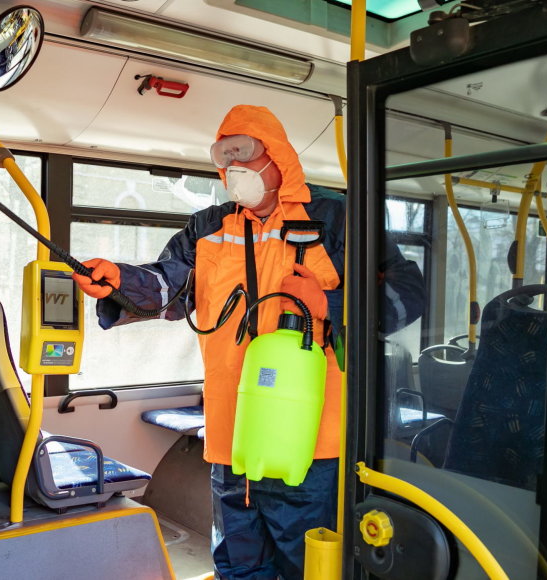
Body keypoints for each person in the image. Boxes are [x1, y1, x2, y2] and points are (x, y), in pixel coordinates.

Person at [72, 105, 425, 579]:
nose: (236, 173)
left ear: (278, 157)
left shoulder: (337, 219)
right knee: (237, 564)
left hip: (309, 440)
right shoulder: (208, 227)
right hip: (230, 438)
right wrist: (117, 281)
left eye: (247, 158)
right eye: (226, 163)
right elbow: (167, 289)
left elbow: (408, 291)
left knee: (308, 564)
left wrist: (330, 304)